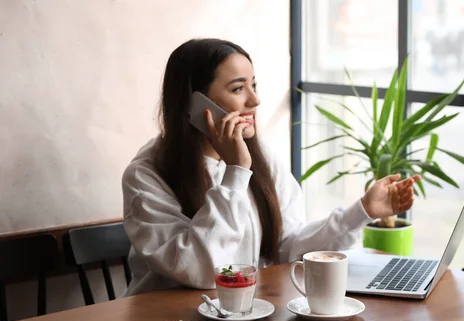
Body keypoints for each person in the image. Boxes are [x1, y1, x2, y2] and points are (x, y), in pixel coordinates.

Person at [121, 38, 421, 296]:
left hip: (246, 316)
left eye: (253, 85)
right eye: (238, 89)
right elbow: (200, 271)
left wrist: (362, 210)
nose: (255, 100)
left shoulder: (261, 157)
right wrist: (236, 173)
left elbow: (288, 248)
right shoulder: (145, 175)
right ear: (196, 103)